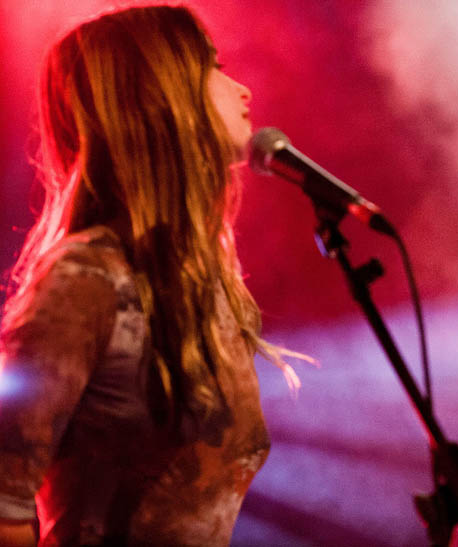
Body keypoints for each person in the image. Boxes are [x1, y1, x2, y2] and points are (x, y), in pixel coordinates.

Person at [0, 6, 306, 545]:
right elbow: (5, 503)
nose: (242, 90)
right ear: (161, 92)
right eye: (212, 65)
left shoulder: (206, 286)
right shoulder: (87, 279)